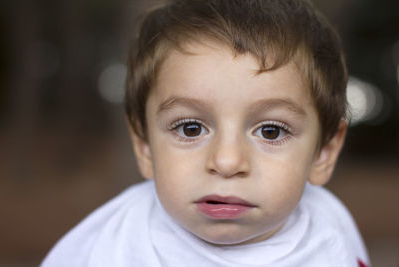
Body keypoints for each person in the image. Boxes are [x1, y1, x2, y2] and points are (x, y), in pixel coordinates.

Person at [41, 0, 370, 266]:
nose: (227, 161)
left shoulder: (332, 234)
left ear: (324, 152)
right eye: (190, 128)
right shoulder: (108, 247)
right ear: (144, 147)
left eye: (270, 131)